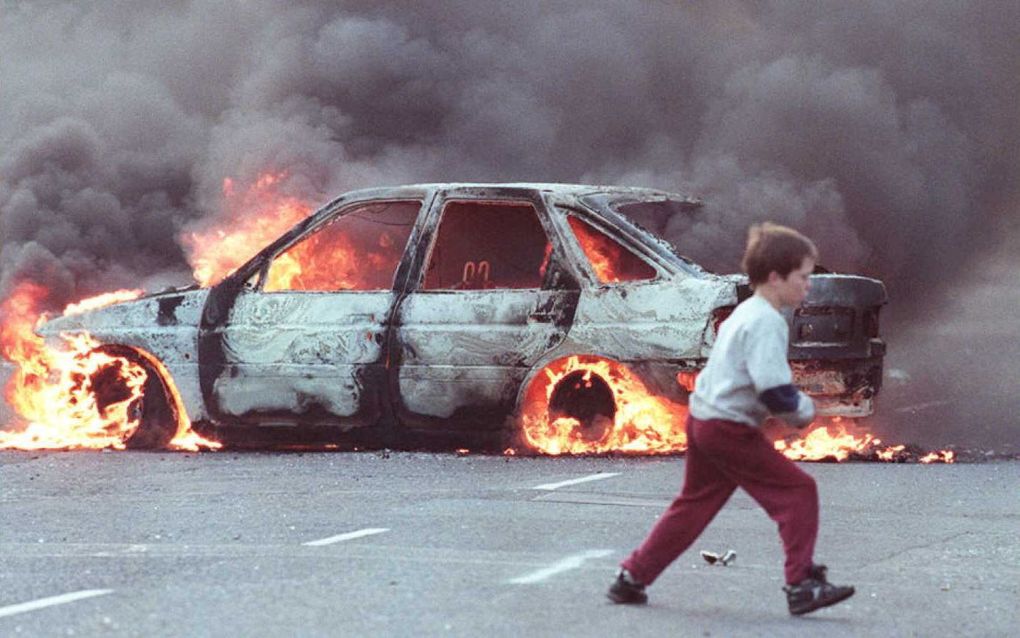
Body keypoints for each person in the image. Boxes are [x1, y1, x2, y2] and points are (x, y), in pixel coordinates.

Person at [606, 222, 855, 616]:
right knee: (797, 493)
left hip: (704, 419)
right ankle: (801, 585)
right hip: (728, 428)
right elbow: (773, 389)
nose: (809, 286)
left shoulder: (746, 312)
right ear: (775, 277)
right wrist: (803, 411)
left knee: (693, 505)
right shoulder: (767, 321)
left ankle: (631, 578)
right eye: (803, 277)